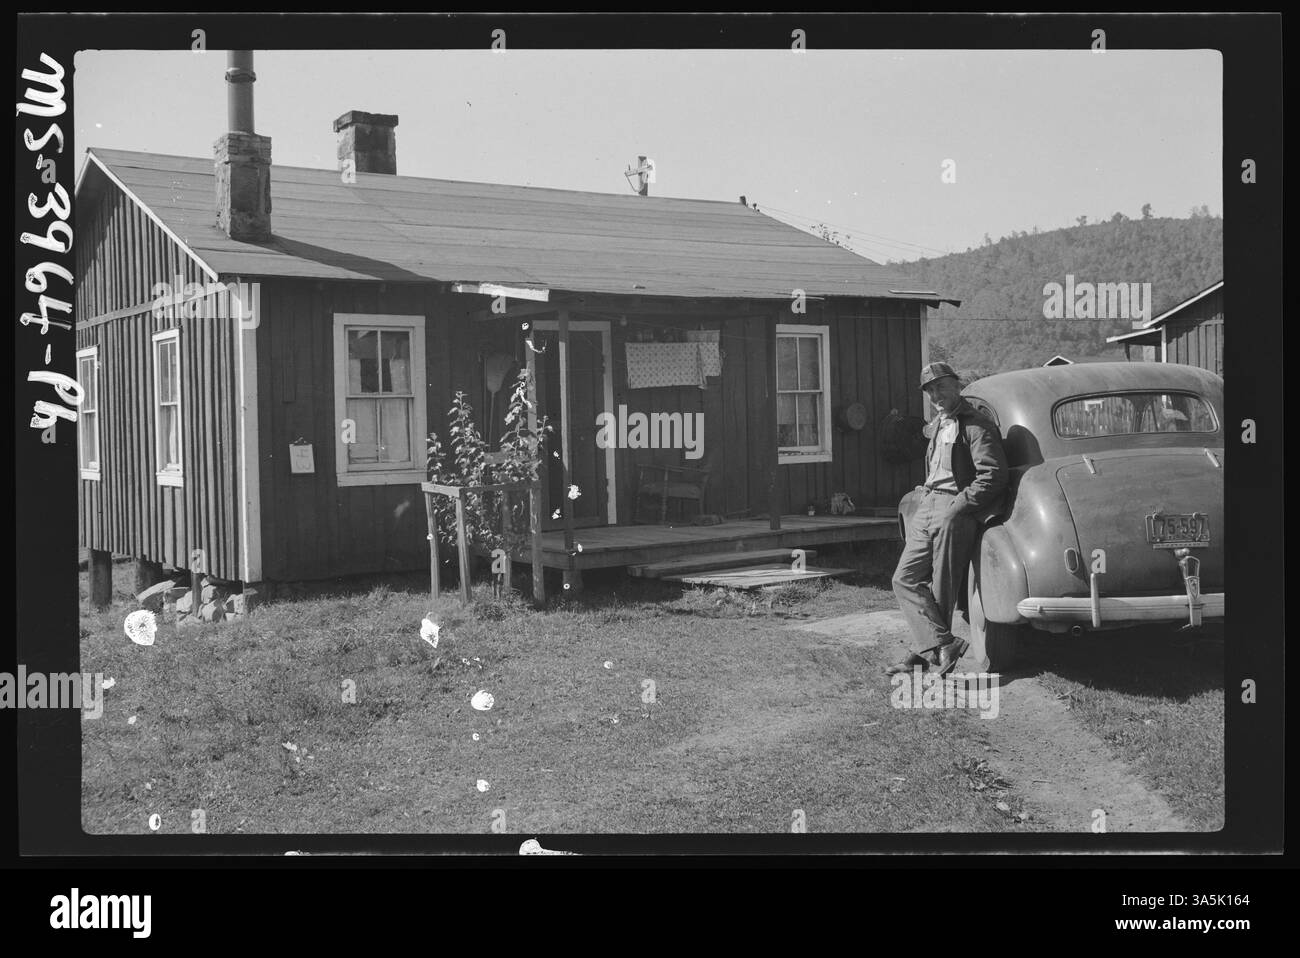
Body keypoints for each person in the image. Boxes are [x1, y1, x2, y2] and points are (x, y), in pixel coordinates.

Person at [885, 362, 1009, 678]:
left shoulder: (975, 424)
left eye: (941, 387)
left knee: (941, 588)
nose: (936, 395)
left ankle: (922, 653)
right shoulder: (940, 423)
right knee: (904, 578)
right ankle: (942, 644)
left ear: (957, 385)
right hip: (929, 503)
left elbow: (993, 474)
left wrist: (959, 506)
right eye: (930, 390)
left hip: (954, 508)